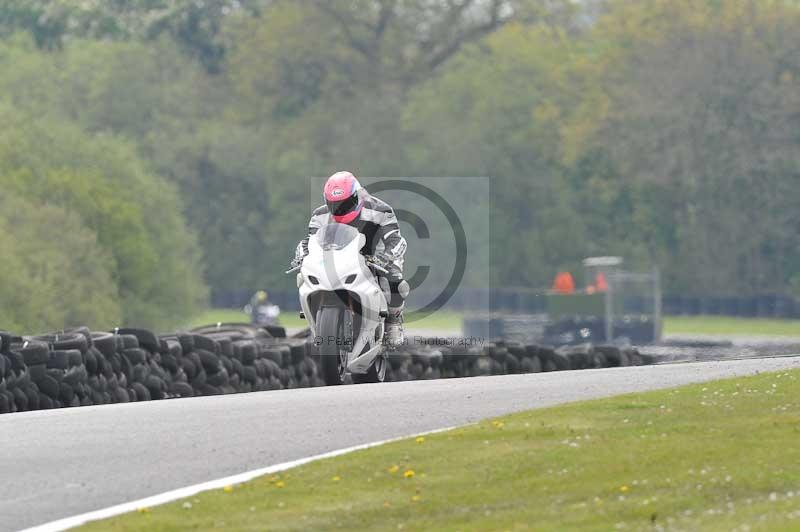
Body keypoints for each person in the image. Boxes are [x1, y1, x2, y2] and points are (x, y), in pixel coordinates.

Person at [292, 171, 409, 347]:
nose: (340, 209)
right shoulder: (319, 216)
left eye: (345, 203)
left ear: (357, 196)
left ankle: (393, 320)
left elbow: (396, 240)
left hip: (375, 255)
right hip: (337, 256)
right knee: (303, 276)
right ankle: (316, 320)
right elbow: (310, 242)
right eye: (334, 204)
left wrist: (386, 257)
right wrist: (301, 254)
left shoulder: (380, 210)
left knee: (395, 281)